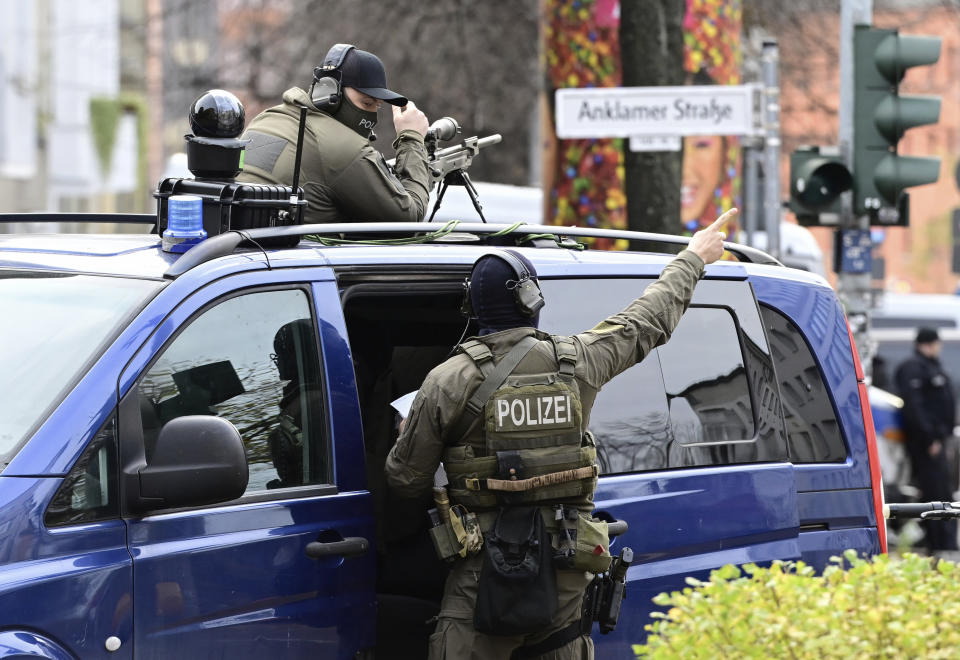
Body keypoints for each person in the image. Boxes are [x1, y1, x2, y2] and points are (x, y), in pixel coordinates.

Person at [385, 208, 736, 659]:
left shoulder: (447, 382)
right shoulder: (579, 361)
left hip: (480, 584)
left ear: (472, 309)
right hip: (566, 580)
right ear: (532, 301)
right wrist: (692, 258)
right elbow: (646, 321)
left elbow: (404, 480)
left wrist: (404, 434)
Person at [237, 44, 433, 224]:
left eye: (377, 106)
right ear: (328, 93)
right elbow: (409, 217)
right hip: (290, 257)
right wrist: (412, 138)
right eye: (366, 103)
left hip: (236, 249)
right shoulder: (345, 150)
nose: (372, 113)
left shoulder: (266, 118)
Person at [894, 327, 958, 555]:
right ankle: (940, 544)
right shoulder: (914, 368)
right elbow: (915, 408)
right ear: (928, 343)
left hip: (939, 440)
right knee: (935, 492)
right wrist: (930, 438)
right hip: (926, 443)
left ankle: (944, 542)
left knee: (942, 491)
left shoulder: (932, 367)